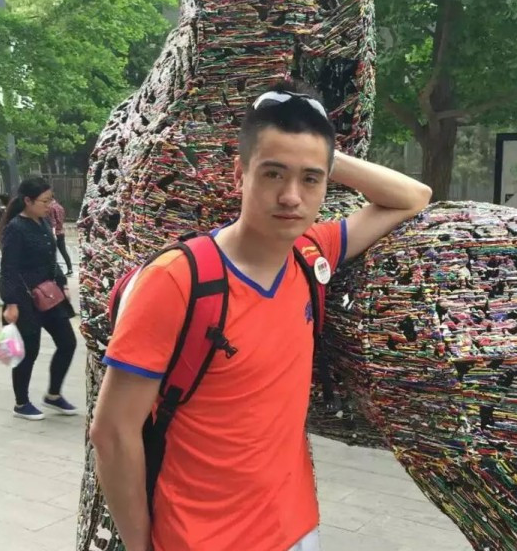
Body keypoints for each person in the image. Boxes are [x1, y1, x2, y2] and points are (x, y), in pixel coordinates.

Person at [90, 81, 433, 551]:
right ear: (240, 175)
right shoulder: (177, 281)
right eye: (273, 173)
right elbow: (112, 432)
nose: (291, 196)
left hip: (296, 528)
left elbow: (413, 196)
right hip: (200, 539)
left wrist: (323, 155)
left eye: (310, 179)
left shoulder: (310, 254)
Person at [0, 177, 78, 420]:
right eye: (44, 201)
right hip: (24, 298)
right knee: (28, 351)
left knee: (68, 342)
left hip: (50, 295)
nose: (49, 205)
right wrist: (11, 303)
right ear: (28, 201)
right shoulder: (15, 228)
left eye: (50, 199)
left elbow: (51, 259)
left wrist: (62, 284)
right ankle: (21, 403)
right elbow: (9, 268)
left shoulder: (44, 222)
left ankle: (53, 394)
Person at [48, 197, 73, 276]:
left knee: (51, 252)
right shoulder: (60, 207)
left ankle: (54, 270)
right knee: (63, 251)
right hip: (61, 231)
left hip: (55, 232)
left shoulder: (51, 208)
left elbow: (53, 221)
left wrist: (53, 234)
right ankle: (70, 269)